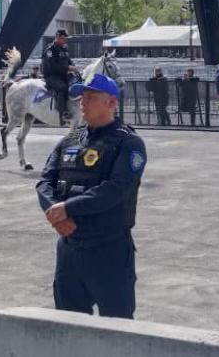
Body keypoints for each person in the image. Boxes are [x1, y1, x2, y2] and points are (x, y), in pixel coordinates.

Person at [35, 73, 146, 318]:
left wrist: (68, 208)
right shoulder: (70, 139)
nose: (83, 103)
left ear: (112, 103)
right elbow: (45, 182)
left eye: (91, 97)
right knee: (69, 326)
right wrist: (57, 213)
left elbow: (116, 189)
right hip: (70, 250)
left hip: (108, 250)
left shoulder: (128, 144)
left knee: (118, 330)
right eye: (82, 97)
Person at [43, 30, 76, 123]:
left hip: (62, 75)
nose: (65, 40)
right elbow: (52, 65)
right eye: (63, 38)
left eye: (66, 38)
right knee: (63, 88)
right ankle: (63, 113)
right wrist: (67, 68)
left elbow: (68, 60)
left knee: (76, 83)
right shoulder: (50, 50)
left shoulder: (64, 48)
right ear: (57, 37)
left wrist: (73, 66)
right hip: (51, 76)